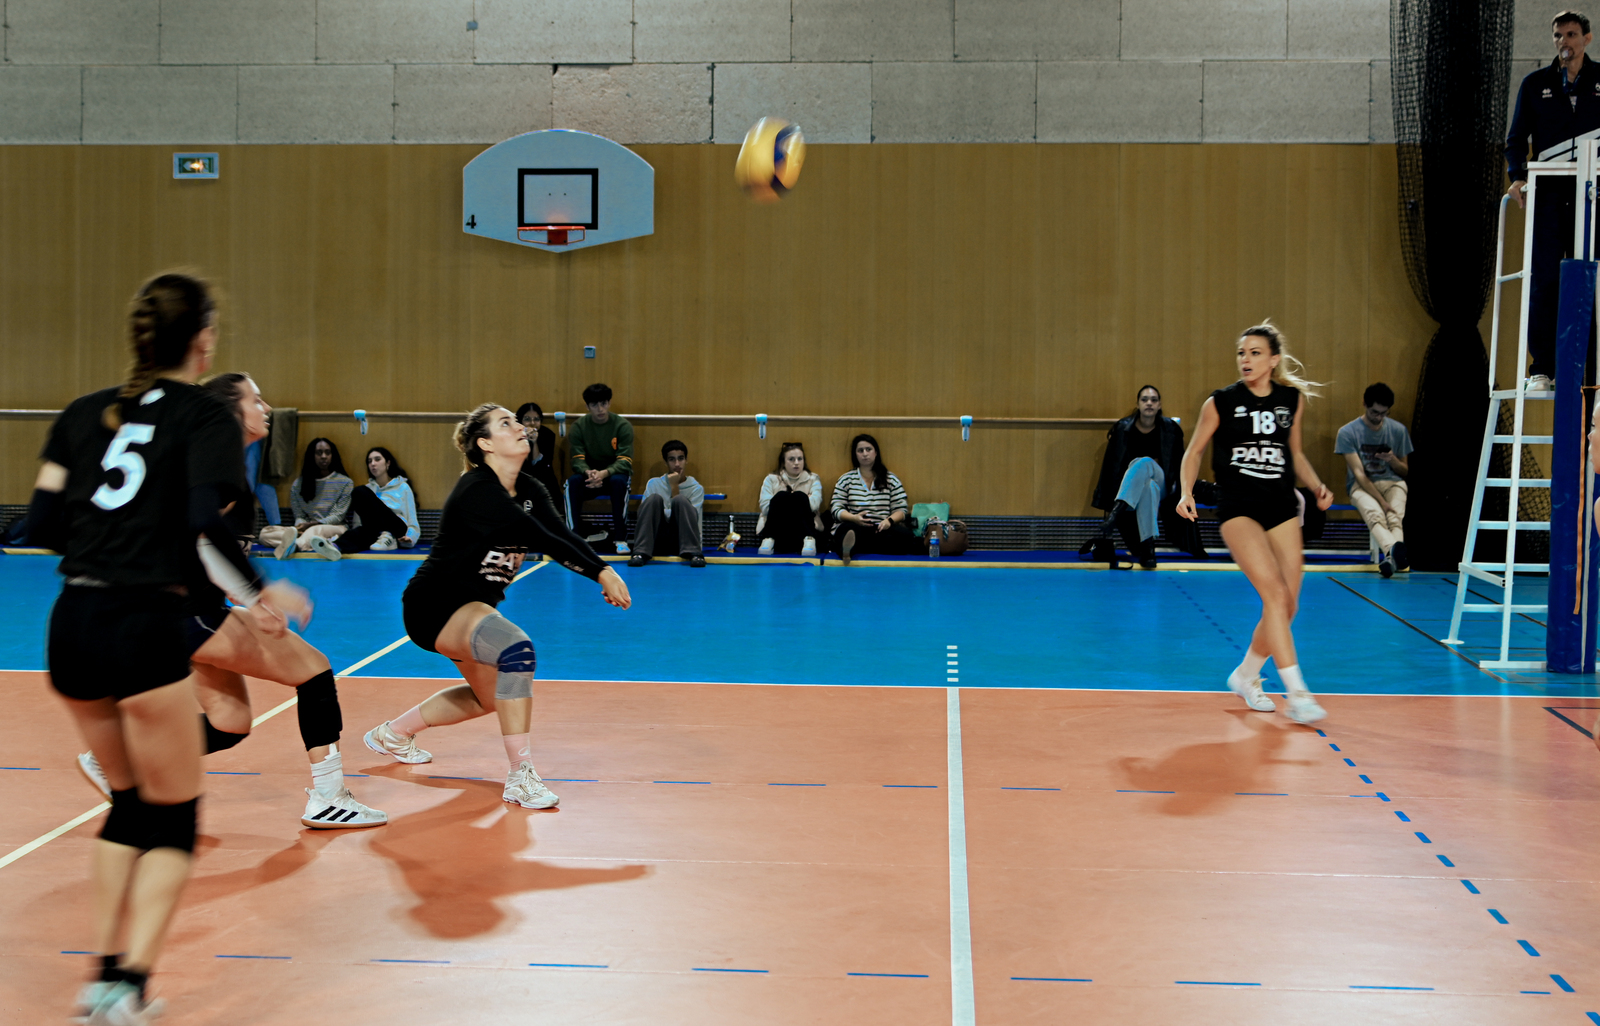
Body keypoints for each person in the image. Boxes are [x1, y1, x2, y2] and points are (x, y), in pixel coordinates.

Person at [31, 272, 290, 1024]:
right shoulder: (204, 416)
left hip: (72, 622)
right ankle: (130, 988)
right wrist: (260, 590)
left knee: (128, 805)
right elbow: (205, 518)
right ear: (204, 340)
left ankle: (103, 978)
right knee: (173, 818)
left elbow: (39, 522)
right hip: (143, 622)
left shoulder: (82, 413)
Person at [76, 372, 386, 829]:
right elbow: (201, 538)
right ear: (229, 413)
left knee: (230, 721)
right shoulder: (216, 467)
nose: (266, 407)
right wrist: (257, 596)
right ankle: (328, 797)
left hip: (173, 613)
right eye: (255, 400)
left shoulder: (210, 463)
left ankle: (115, 752)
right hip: (181, 613)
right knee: (314, 671)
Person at [364, 404, 632, 809]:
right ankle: (521, 776)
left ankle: (393, 734)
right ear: (485, 444)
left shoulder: (529, 488)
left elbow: (559, 533)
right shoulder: (477, 489)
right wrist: (600, 572)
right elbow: (536, 535)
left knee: (491, 699)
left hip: (471, 606)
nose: (520, 427)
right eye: (505, 424)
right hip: (434, 604)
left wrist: (602, 567)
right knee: (516, 651)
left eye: (517, 422)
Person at [1178, 320, 1334, 725]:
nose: (1245, 360)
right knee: (1275, 595)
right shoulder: (1220, 402)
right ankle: (1298, 694)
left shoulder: (1290, 400)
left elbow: (1295, 454)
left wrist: (1317, 486)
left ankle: (1247, 674)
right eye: (1241, 353)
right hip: (1238, 507)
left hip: (1281, 506)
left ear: (1273, 360)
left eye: (1255, 353)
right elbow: (1194, 451)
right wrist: (1186, 492)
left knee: (1288, 604)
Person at [1505, 9, 1600, 391]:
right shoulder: (1535, 84)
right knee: (1544, 281)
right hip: (1548, 200)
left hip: (1592, 198)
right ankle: (1542, 369)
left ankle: (1591, 370)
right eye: (1559, 35)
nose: (1564, 42)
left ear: (1587, 39)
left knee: (1590, 281)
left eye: (1571, 34)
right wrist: (1517, 177)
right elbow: (1516, 140)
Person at [1089, 385, 1204, 569]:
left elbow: (1180, 464)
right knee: (1149, 487)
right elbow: (1111, 466)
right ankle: (1148, 549)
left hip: (1164, 484)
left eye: (1153, 400)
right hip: (1135, 490)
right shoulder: (1123, 428)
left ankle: (1116, 513)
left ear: (1159, 405)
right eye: (1144, 400)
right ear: (1138, 404)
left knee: (1144, 462)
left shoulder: (1170, 429)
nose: (1149, 403)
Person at [1335, 383, 1413, 578]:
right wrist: (1382, 501)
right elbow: (1359, 474)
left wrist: (1392, 460)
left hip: (1393, 483)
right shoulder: (1347, 432)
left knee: (1394, 519)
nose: (1378, 417)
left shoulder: (1398, 430)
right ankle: (1395, 553)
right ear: (1365, 404)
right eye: (1374, 412)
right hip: (1361, 486)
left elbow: (1404, 470)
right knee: (1376, 516)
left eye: (1383, 413)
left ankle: (1391, 559)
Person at [308, 446, 420, 557]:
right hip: (374, 532)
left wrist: (410, 538)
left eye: (377, 459)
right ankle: (334, 547)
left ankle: (389, 536)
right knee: (362, 528)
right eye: (369, 461)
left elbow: (413, 521)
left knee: (359, 491)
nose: (373, 464)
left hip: (397, 528)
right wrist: (357, 533)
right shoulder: (368, 489)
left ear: (388, 463)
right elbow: (359, 522)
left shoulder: (402, 487)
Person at [257, 438, 353, 560]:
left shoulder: (345, 482)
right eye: (319, 453)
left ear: (333, 455)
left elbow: (338, 516)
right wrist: (300, 527)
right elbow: (299, 515)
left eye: (327, 452)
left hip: (334, 527)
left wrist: (312, 525)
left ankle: (296, 544)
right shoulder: (298, 484)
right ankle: (300, 544)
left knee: (315, 530)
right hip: (306, 528)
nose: (324, 456)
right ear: (312, 456)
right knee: (265, 533)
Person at [565, 383, 634, 550]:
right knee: (571, 483)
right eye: (595, 405)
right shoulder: (579, 427)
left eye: (603, 403)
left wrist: (604, 473)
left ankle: (620, 540)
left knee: (619, 482)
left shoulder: (622, 426)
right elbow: (577, 459)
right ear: (588, 406)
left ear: (609, 403)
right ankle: (572, 539)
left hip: (613, 476)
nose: (600, 409)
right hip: (589, 477)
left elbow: (625, 460)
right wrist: (588, 472)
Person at [829, 434, 915, 563]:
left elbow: (901, 510)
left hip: (880, 529)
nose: (865, 454)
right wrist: (853, 518)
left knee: (905, 535)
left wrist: (889, 521)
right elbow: (836, 508)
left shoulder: (891, 479)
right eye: (860, 450)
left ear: (876, 452)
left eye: (868, 449)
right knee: (846, 530)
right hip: (855, 526)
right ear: (855, 455)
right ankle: (848, 548)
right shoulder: (846, 479)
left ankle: (859, 547)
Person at [628, 439, 706, 567]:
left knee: (680, 500)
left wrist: (674, 488)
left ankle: (695, 554)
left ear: (686, 460)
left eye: (681, 458)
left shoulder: (696, 489)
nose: (677, 464)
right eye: (672, 459)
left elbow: (692, 520)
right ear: (666, 462)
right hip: (655, 543)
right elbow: (645, 516)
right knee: (653, 499)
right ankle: (640, 553)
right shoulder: (654, 484)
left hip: (683, 544)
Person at [758, 442, 823, 556]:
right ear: (783, 462)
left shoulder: (813, 479)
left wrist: (797, 499)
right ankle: (768, 539)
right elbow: (765, 507)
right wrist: (791, 501)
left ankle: (809, 539)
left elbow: (814, 505)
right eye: (791, 459)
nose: (796, 463)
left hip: (802, 534)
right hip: (779, 532)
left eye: (800, 459)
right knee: (781, 496)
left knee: (799, 496)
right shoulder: (771, 479)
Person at [516, 401, 561, 498]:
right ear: (520, 421)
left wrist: (534, 442)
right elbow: (520, 464)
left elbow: (541, 465)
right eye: (527, 419)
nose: (532, 423)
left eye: (536, 419)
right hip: (519, 475)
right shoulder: (513, 435)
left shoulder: (548, 435)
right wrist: (524, 439)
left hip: (542, 474)